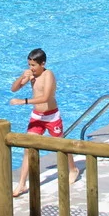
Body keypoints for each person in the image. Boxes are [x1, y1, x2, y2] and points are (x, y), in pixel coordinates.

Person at [9, 49, 79, 197]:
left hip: (51, 116)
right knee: (28, 148)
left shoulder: (48, 75)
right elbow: (14, 89)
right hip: (37, 117)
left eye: (33, 65)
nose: (31, 68)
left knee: (60, 145)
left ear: (43, 64)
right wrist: (22, 76)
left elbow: (46, 97)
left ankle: (73, 169)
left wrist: (23, 101)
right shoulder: (31, 75)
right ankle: (22, 184)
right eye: (29, 65)